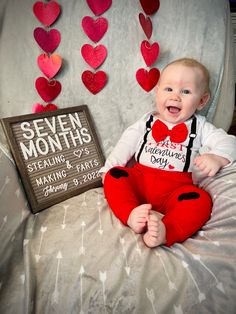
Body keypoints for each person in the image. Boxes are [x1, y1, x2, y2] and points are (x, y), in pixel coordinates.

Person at [100, 58, 236, 248]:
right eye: (168, 89)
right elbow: (125, 144)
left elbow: (229, 141)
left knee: (200, 201)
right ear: (157, 92)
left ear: (202, 101)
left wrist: (218, 157)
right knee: (116, 175)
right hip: (140, 180)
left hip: (176, 190)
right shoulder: (146, 122)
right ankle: (130, 214)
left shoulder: (200, 126)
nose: (175, 97)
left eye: (186, 91)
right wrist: (107, 169)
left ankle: (165, 231)